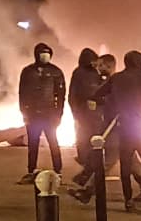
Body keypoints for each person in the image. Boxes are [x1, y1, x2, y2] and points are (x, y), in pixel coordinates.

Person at [97, 50, 141, 211]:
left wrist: (113, 103)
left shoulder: (116, 78)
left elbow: (97, 94)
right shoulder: (140, 79)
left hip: (124, 128)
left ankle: (128, 201)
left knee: (125, 167)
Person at [16, 41, 66, 182]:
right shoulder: (28, 71)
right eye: (42, 53)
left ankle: (58, 170)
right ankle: (31, 170)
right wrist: (24, 112)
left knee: (53, 143)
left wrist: (59, 114)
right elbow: (22, 93)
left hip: (50, 114)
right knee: (33, 143)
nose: (45, 56)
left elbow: (61, 95)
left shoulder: (56, 72)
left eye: (47, 53)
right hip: (32, 114)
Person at [68, 47, 105, 194]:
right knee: (84, 143)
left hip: (96, 117)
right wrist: (76, 113)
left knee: (94, 147)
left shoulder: (97, 74)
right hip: (83, 115)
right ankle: (86, 173)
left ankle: (86, 175)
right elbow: (73, 95)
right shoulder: (78, 73)